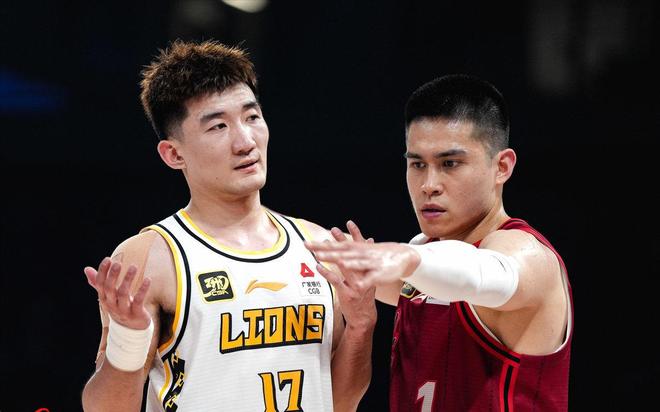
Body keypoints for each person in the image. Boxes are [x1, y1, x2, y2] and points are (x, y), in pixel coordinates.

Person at [81, 40, 376, 412]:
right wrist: (130, 339)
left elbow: (342, 402)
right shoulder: (150, 257)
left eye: (252, 117)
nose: (245, 141)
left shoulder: (318, 245)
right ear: (173, 154)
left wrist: (362, 324)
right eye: (218, 126)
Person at [305, 74, 573, 411]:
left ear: (502, 167)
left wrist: (409, 259)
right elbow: (321, 253)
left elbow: (484, 273)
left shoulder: (527, 255)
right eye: (418, 164)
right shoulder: (420, 266)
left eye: (450, 164)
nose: (429, 184)